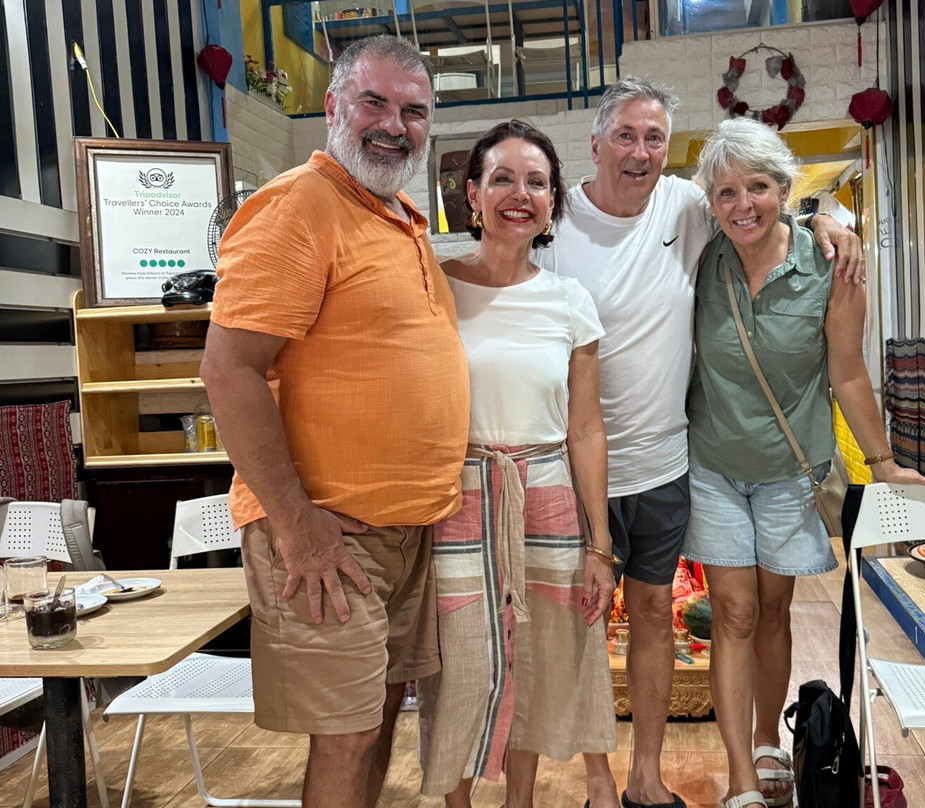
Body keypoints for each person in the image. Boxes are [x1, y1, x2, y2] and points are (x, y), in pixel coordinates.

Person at [533, 77, 864, 808]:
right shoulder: (555, 224)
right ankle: (597, 779)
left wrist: (828, 219)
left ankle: (646, 777)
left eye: (653, 137)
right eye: (625, 135)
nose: (640, 151)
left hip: (663, 463)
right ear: (595, 143)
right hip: (575, 466)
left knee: (654, 616)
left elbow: (759, 202)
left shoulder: (685, 205)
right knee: (580, 627)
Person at [200, 36, 469, 808]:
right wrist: (296, 523)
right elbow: (229, 370)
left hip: (403, 532)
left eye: (413, 111)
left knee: (376, 717)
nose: (394, 125)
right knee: (347, 733)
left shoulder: (397, 216)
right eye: (373, 103)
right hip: (328, 533)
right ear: (332, 106)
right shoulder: (299, 206)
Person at [684, 117, 925, 808]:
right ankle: (741, 777)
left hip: (790, 472)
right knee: (734, 612)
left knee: (773, 611)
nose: (743, 205)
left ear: (784, 189)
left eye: (758, 188)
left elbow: (848, 373)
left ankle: (768, 737)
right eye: (727, 192)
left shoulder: (830, 267)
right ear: (711, 202)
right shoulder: (701, 257)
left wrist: (883, 463)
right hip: (712, 464)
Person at [418, 120, 619, 808]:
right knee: (459, 663)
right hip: (458, 495)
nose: (519, 194)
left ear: (552, 201)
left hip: (547, 493)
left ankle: (520, 802)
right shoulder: (434, 288)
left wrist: (600, 546)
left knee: (535, 660)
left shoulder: (570, 301)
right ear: (472, 195)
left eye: (536, 182)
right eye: (501, 178)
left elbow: (585, 430)